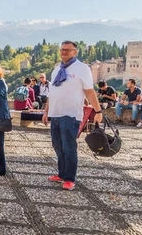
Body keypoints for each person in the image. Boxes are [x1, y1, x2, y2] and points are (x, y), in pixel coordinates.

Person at [42, 41, 102, 191]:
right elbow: (52, 92)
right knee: (57, 146)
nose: (64, 52)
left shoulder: (82, 69)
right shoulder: (57, 69)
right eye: (62, 50)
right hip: (55, 114)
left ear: (75, 52)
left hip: (71, 114)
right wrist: (46, 111)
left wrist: (98, 111)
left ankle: (69, 179)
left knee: (69, 147)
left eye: (68, 50)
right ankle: (61, 174)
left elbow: (89, 91)